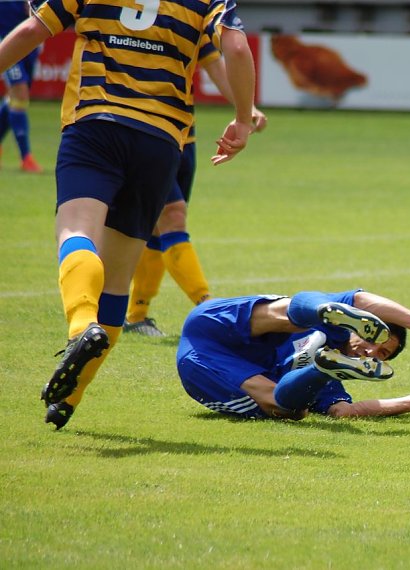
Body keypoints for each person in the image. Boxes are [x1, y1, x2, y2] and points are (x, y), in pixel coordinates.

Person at [0, 0, 256, 429]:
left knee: (76, 231)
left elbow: (32, 32)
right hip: (159, 142)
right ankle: (69, 399)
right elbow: (237, 46)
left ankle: (81, 324)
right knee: (118, 281)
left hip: (95, 125)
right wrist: (243, 120)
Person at [124, 56, 269, 337]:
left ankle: (136, 316)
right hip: (145, 129)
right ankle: (210, 307)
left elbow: (214, 64)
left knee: (159, 225)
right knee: (173, 215)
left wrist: (245, 108)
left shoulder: (192, 14)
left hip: (184, 133)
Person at [176, 290, 410, 422]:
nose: (369, 352)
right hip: (208, 341)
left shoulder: (335, 382)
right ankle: (322, 313)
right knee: (286, 407)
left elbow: (343, 411)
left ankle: (322, 363)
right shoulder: (338, 332)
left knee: (294, 408)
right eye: (372, 340)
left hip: (214, 354)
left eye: (381, 355)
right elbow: (358, 301)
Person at [0, 0, 41, 172]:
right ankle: (26, 157)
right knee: (20, 92)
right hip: (4, 38)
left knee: (17, 99)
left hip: (29, 40)